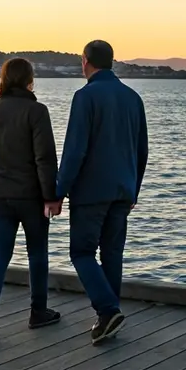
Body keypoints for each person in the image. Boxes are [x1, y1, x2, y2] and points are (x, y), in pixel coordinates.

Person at [53, 40, 148, 345]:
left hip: (92, 191)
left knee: (81, 252)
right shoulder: (133, 98)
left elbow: (75, 150)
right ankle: (109, 316)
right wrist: (134, 190)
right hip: (123, 189)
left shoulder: (85, 97)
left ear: (86, 62)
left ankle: (107, 311)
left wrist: (58, 190)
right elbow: (142, 150)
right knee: (112, 253)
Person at [0, 57, 62, 342]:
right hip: (31, 196)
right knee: (37, 253)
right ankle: (38, 312)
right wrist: (51, 196)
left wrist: (0, 178)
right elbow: (44, 158)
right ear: (29, 80)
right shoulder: (37, 111)